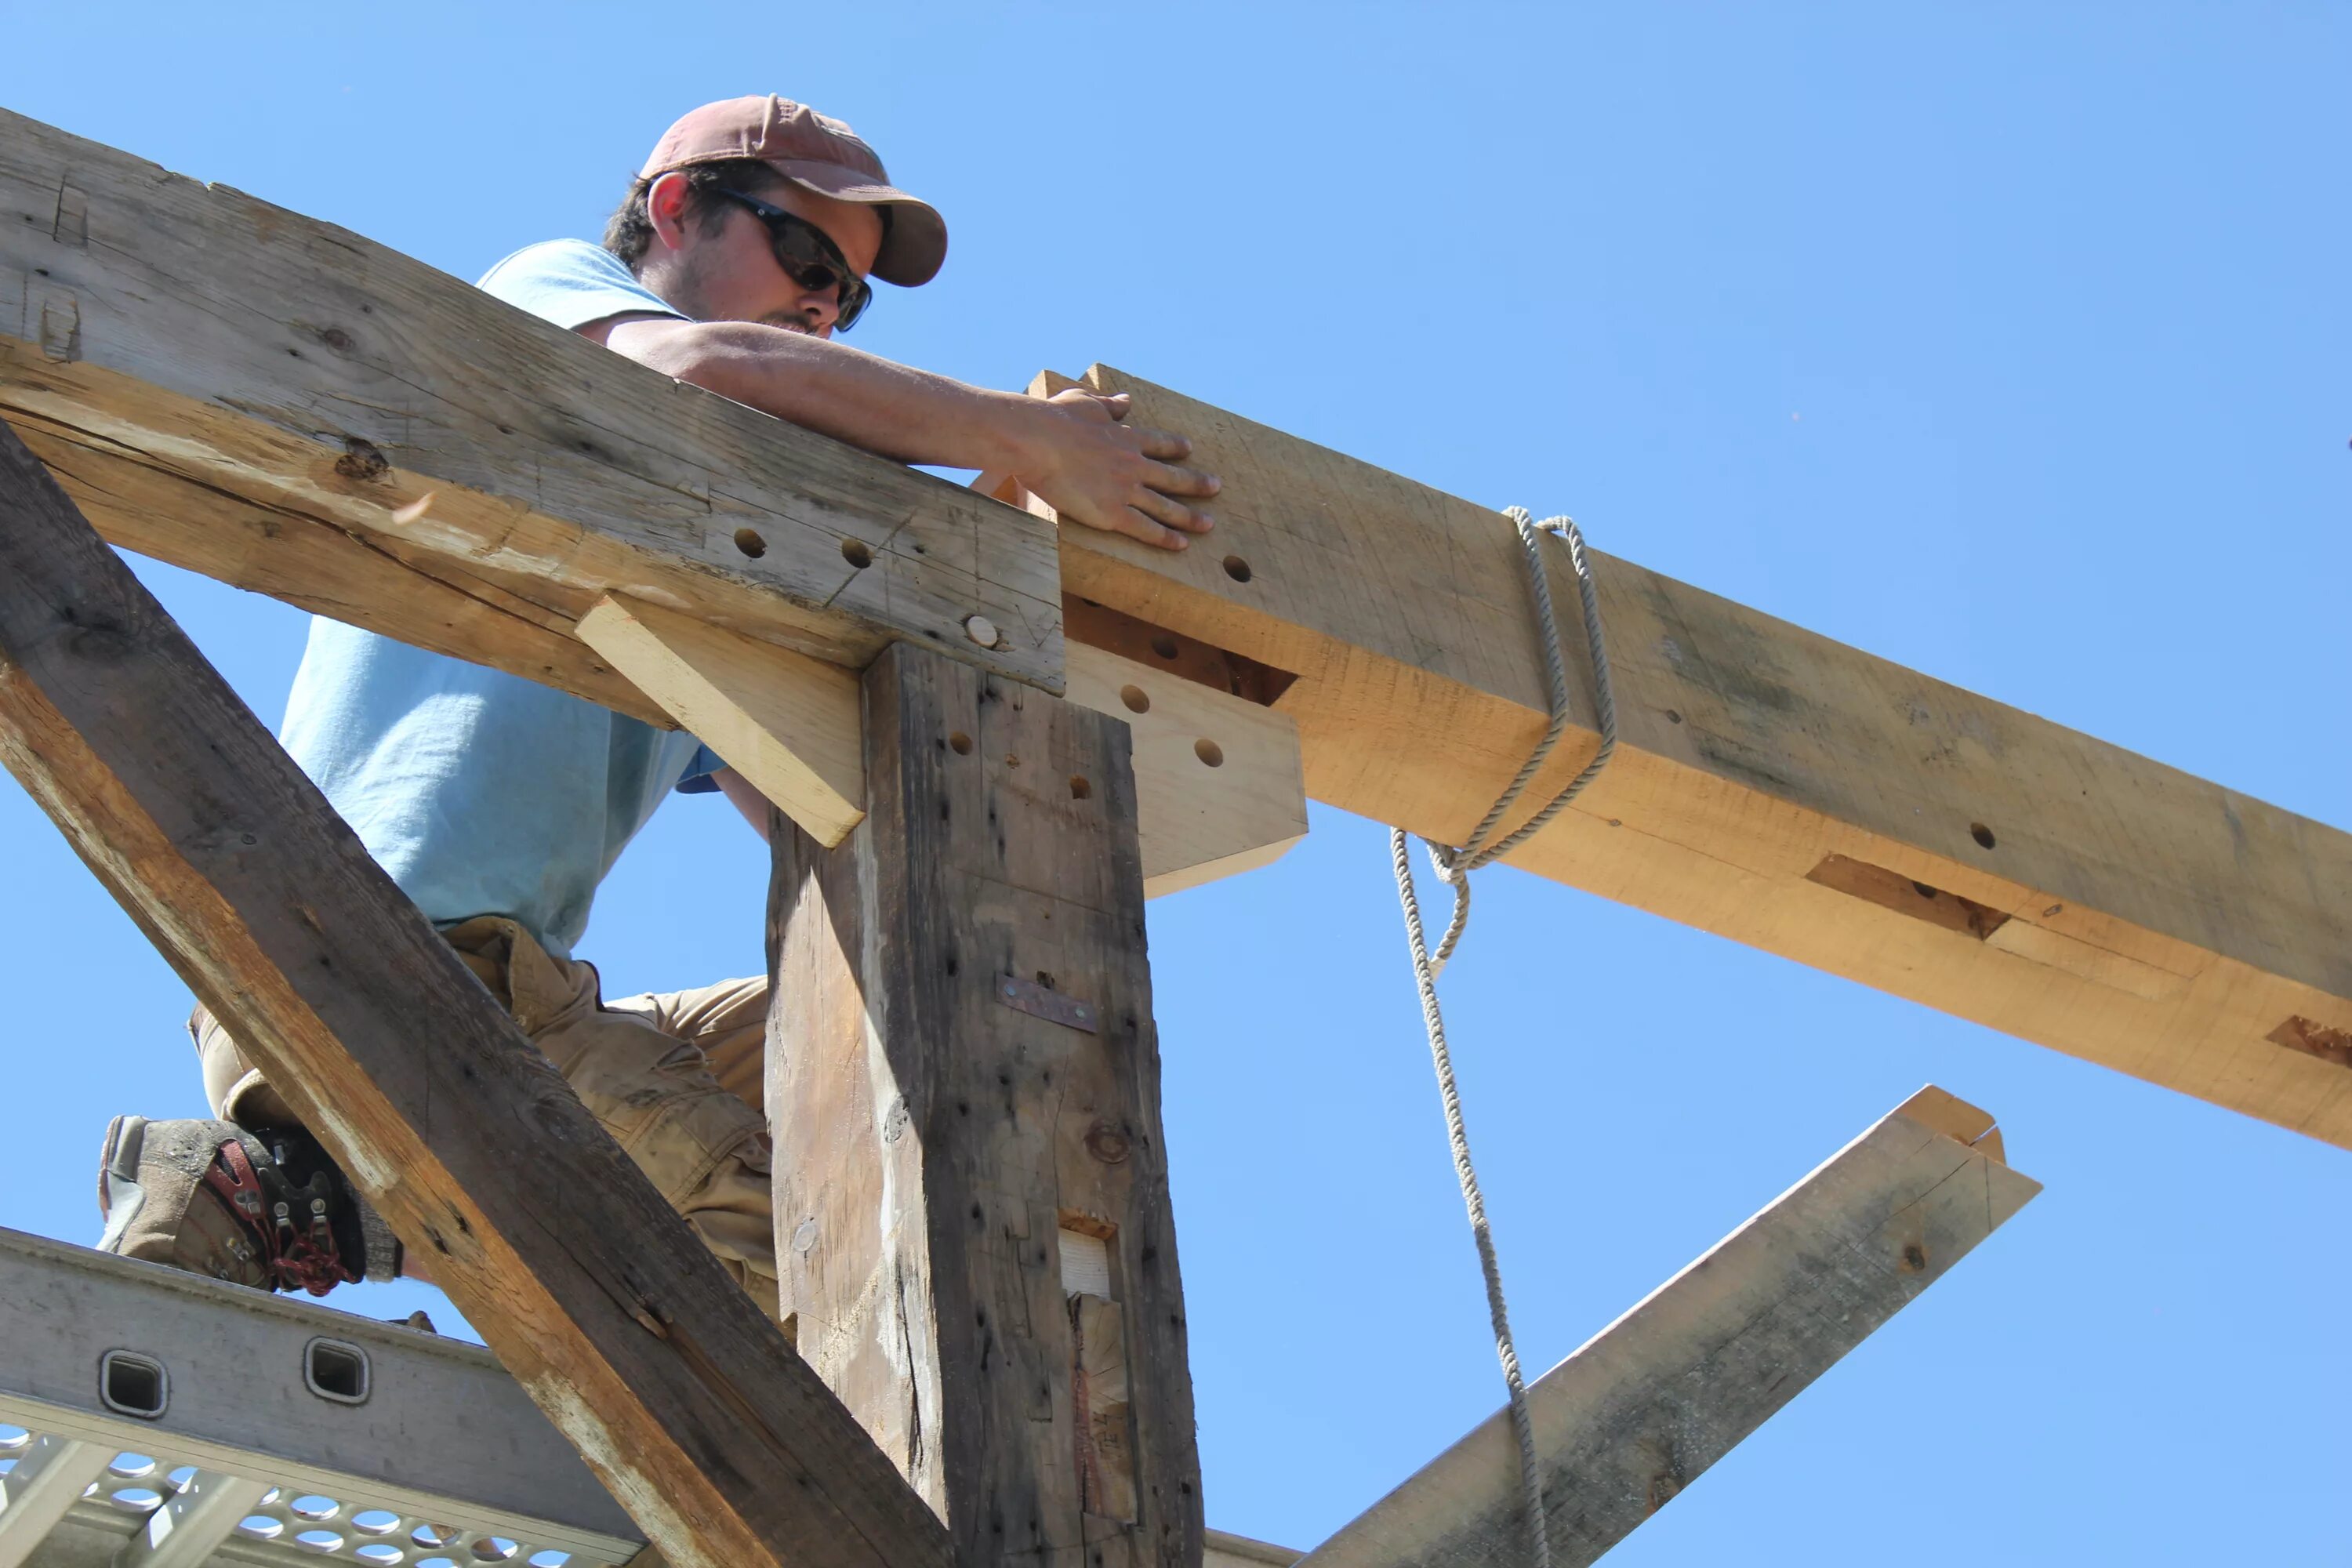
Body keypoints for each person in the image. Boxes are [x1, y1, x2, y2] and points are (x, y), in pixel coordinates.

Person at [93, 94, 1218, 1326]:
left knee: (911, 1049)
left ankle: (304, 1193)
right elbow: (695, 367)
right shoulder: (550, 302)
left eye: (851, 298)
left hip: (503, 991)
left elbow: (829, 826)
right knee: (831, 1298)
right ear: (675, 208)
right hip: (382, 959)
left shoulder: (701, 580)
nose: (825, 308)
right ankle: (308, 1201)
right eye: (805, 259)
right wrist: (1024, 441)